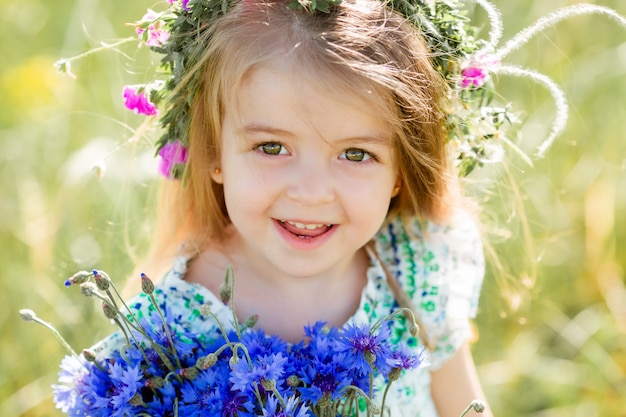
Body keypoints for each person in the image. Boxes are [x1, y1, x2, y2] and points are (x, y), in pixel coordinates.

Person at [62, 0, 495, 415]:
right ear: (214, 154)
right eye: (272, 147)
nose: (311, 192)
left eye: (357, 154)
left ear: (401, 170)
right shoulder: (167, 336)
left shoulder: (416, 270)